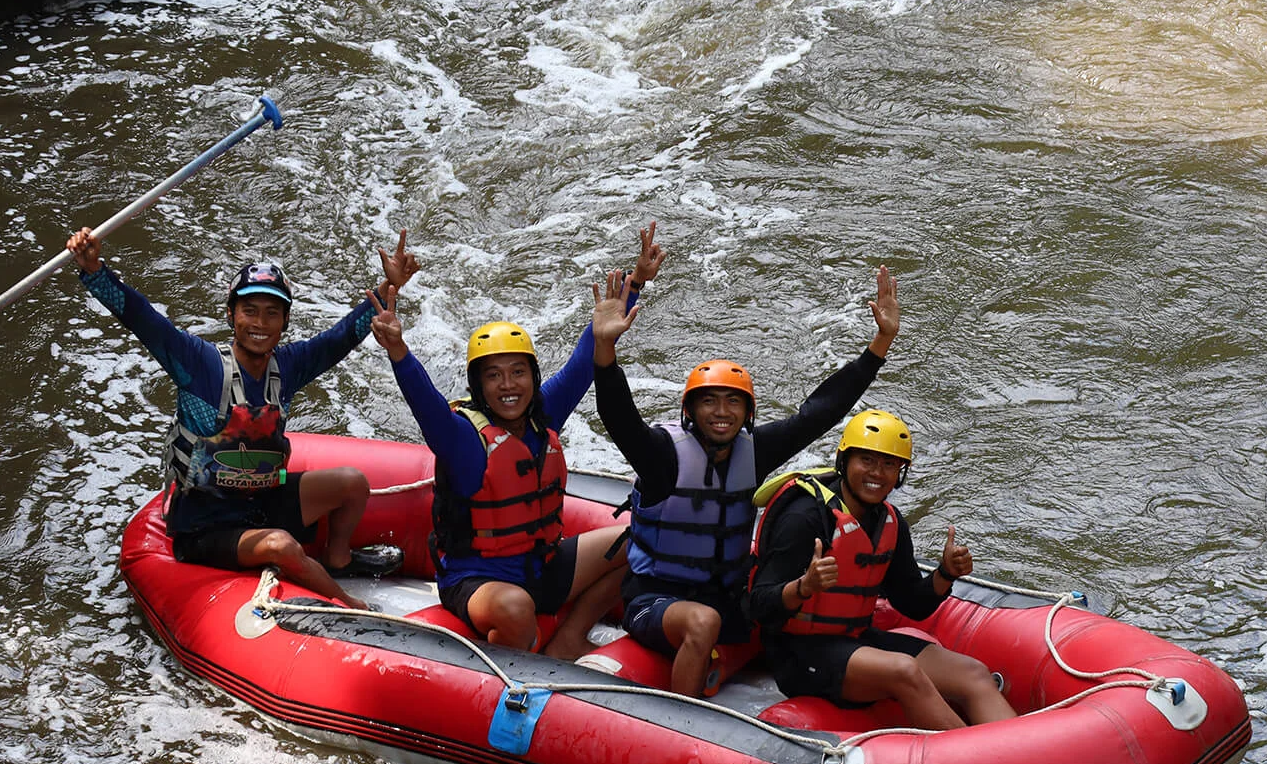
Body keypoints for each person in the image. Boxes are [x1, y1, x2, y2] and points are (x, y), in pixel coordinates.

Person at [589, 264, 903, 697]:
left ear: (748, 413)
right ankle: (682, 720)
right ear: (691, 411)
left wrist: (879, 345)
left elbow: (818, 414)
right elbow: (619, 417)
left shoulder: (752, 452)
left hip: (730, 598)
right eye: (710, 402)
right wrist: (605, 347)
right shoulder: (661, 456)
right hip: (654, 601)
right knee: (703, 622)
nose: (722, 412)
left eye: (733, 402)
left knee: (763, 608)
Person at [67, 228, 418, 609]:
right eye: (249, 310)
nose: (260, 324)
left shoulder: (288, 366)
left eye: (272, 314)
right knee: (281, 545)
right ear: (232, 314)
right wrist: (94, 270)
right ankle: (351, 605)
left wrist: (388, 287)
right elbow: (143, 319)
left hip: (261, 502)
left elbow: (339, 338)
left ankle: (338, 559)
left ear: (284, 322)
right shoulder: (198, 363)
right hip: (204, 526)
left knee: (352, 484)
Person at [367, 227, 665, 660]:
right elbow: (426, 405)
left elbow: (585, 362)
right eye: (494, 375)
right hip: (477, 581)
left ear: (532, 377)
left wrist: (633, 287)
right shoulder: (464, 438)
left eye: (518, 372)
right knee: (514, 606)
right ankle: (510, 671)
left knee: (642, 536)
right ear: (479, 385)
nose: (508, 385)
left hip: (541, 565)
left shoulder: (543, 413)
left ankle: (569, 636)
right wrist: (398, 350)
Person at [746, 409, 1016, 730]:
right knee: (904, 671)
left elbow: (912, 604)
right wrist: (804, 586)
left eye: (889, 464)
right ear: (844, 461)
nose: (878, 473)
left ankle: (1020, 761)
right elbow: (759, 605)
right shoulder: (804, 518)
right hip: (800, 655)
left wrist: (946, 573)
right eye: (867, 461)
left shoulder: (889, 521)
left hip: (855, 640)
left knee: (974, 674)